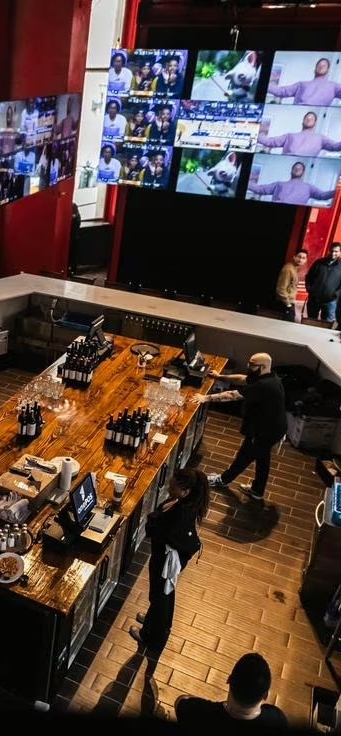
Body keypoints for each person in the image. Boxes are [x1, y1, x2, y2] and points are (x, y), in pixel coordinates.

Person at [129, 467, 209, 650]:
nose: (168, 489)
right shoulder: (184, 503)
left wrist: (154, 519)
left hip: (165, 559)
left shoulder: (180, 512)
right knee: (164, 592)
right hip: (169, 557)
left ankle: (149, 634)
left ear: (185, 491)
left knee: (160, 595)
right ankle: (156, 621)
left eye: (173, 487)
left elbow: (157, 528)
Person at [192, 352, 287, 502]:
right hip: (275, 427)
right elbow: (243, 379)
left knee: (245, 455)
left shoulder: (264, 386)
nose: (248, 367)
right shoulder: (269, 377)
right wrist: (220, 377)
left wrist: (205, 398)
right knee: (263, 458)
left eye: (252, 364)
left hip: (264, 431)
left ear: (262, 366)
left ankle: (223, 480)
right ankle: (257, 490)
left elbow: (232, 395)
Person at [175, 652, 288, 729]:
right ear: (266, 695)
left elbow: (180, 701)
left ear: (228, 680)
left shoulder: (197, 712)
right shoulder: (277, 720)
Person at [246, 160, 336, 206]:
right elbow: (260, 189)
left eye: (299, 168)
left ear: (303, 172)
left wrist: (338, 190)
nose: (297, 169)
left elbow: (323, 195)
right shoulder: (279, 184)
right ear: (291, 171)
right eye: (295, 168)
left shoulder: (308, 187)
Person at [257, 110, 341, 157]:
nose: (308, 119)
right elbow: (270, 142)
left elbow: (335, 146)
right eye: (307, 118)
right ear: (302, 121)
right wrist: (252, 133)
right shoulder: (289, 136)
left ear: (315, 123)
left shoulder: (321, 138)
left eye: (311, 119)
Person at [268, 56, 341, 106]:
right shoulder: (301, 84)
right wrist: (263, 85)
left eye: (324, 66)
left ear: (328, 70)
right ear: (315, 68)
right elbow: (282, 91)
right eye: (319, 65)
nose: (321, 67)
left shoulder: (334, 86)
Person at [304, 242, 341, 323]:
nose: (333, 253)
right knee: (311, 321)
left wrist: (336, 294)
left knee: (326, 324)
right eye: (331, 251)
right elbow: (309, 276)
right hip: (314, 299)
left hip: (330, 301)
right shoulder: (319, 262)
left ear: (340, 252)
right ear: (328, 251)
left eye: (336, 251)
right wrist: (309, 289)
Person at [275, 248, 308, 321]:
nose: (300, 260)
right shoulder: (288, 269)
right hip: (284, 302)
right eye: (299, 257)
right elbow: (281, 288)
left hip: (290, 301)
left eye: (303, 258)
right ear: (294, 257)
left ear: (305, 260)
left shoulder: (296, 269)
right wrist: (288, 305)